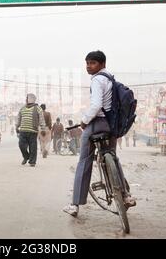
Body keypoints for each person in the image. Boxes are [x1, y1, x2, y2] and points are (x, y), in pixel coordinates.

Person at [63, 50, 136, 217]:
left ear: (102, 64)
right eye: (87, 63)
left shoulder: (97, 80)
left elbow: (96, 105)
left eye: (93, 63)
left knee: (84, 161)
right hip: (111, 126)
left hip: (97, 124)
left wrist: (84, 121)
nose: (89, 66)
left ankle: (75, 205)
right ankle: (126, 195)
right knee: (113, 157)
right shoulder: (111, 79)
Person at [16, 93, 46, 167]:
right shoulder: (22, 108)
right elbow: (19, 118)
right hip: (23, 131)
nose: (25, 100)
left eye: (27, 98)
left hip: (33, 131)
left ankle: (32, 162)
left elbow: (41, 119)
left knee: (33, 147)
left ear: (30, 99)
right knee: (21, 145)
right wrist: (17, 126)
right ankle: (26, 157)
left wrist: (43, 128)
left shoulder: (38, 108)